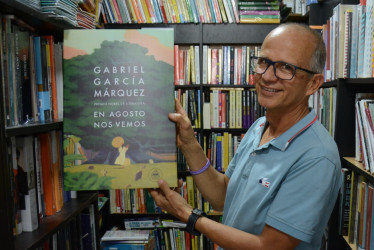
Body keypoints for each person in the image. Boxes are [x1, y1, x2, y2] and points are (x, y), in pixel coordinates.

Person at [149, 23, 343, 250]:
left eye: (285, 68)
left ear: (313, 83)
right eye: (263, 62)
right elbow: (223, 196)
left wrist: (187, 214)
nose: (268, 77)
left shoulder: (317, 157)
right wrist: (189, 144)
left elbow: (269, 247)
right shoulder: (260, 126)